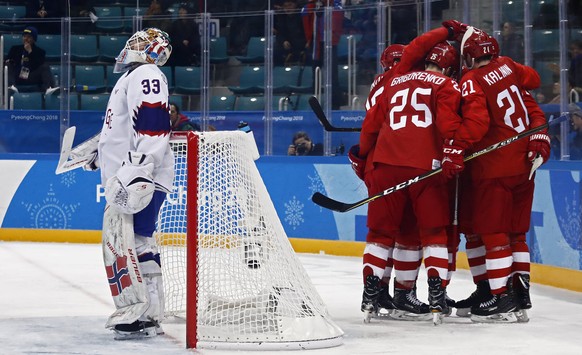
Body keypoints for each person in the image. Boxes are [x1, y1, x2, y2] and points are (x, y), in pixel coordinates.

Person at [357, 22, 465, 322]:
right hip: (425, 170)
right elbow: (448, 127)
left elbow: (370, 127)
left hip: (385, 167)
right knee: (432, 235)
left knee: (379, 235)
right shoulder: (446, 85)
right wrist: (454, 149)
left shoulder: (393, 82)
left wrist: (364, 158)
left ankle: (370, 294)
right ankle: (435, 296)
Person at [441, 26, 549, 323]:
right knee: (516, 233)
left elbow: (477, 122)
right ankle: (517, 295)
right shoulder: (509, 65)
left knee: (492, 233)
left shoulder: (472, 79)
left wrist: (455, 146)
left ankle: (501, 297)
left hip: (494, 167)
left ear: (467, 57)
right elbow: (534, 81)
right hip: (523, 166)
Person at [95, 28, 174, 339]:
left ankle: (144, 312)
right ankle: (149, 311)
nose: (132, 45)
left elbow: (153, 121)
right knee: (139, 240)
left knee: (137, 241)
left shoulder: (146, 73)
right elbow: (122, 128)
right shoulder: (134, 76)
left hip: (140, 176)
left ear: (153, 49)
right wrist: (97, 153)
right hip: (132, 174)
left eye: (141, 42)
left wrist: (141, 169)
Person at [302, 0, 345, 109]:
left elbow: (339, 14)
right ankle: (313, 106)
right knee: (315, 76)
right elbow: (304, 14)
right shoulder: (310, 6)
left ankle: (334, 107)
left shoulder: (335, 5)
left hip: (330, 44)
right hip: (316, 45)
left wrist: (325, 6)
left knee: (332, 77)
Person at [4, 26, 59, 96]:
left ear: (34, 39)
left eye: (29, 37)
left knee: (45, 66)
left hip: (31, 76)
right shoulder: (15, 49)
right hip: (17, 76)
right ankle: (11, 86)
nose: (26, 39)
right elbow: (7, 61)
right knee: (7, 64)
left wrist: (30, 52)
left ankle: (48, 88)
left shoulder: (40, 52)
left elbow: (38, 64)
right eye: (24, 36)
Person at [273, 0, 307, 66]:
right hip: (288, 45)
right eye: (285, 6)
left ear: (295, 5)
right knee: (276, 49)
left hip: (302, 44)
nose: (288, 8)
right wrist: (284, 41)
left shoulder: (302, 16)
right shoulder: (282, 17)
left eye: (290, 5)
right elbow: (280, 33)